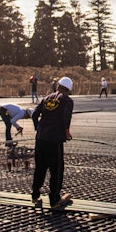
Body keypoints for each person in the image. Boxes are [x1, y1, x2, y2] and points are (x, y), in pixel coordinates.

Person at [31, 76, 74, 211]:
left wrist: (38, 129)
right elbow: (66, 117)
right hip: (55, 140)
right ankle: (54, 200)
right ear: (69, 89)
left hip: (41, 139)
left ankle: (35, 194)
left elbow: (34, 114)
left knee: (40, 167)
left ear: (58, 86)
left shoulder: (46, 98)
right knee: (56, 170)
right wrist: (67, 133)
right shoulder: (67, 100)